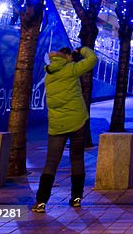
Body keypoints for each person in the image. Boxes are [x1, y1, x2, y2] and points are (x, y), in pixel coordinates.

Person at [31, 45, 97, 213]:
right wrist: (81, 50)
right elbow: (92, 60)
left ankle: (41, 201)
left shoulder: (49, 74)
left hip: (57, 125)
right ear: (68, 57)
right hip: (77, 122)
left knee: (51, 162)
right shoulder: (72, 69)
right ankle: (76, 198)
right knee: (77, 159)